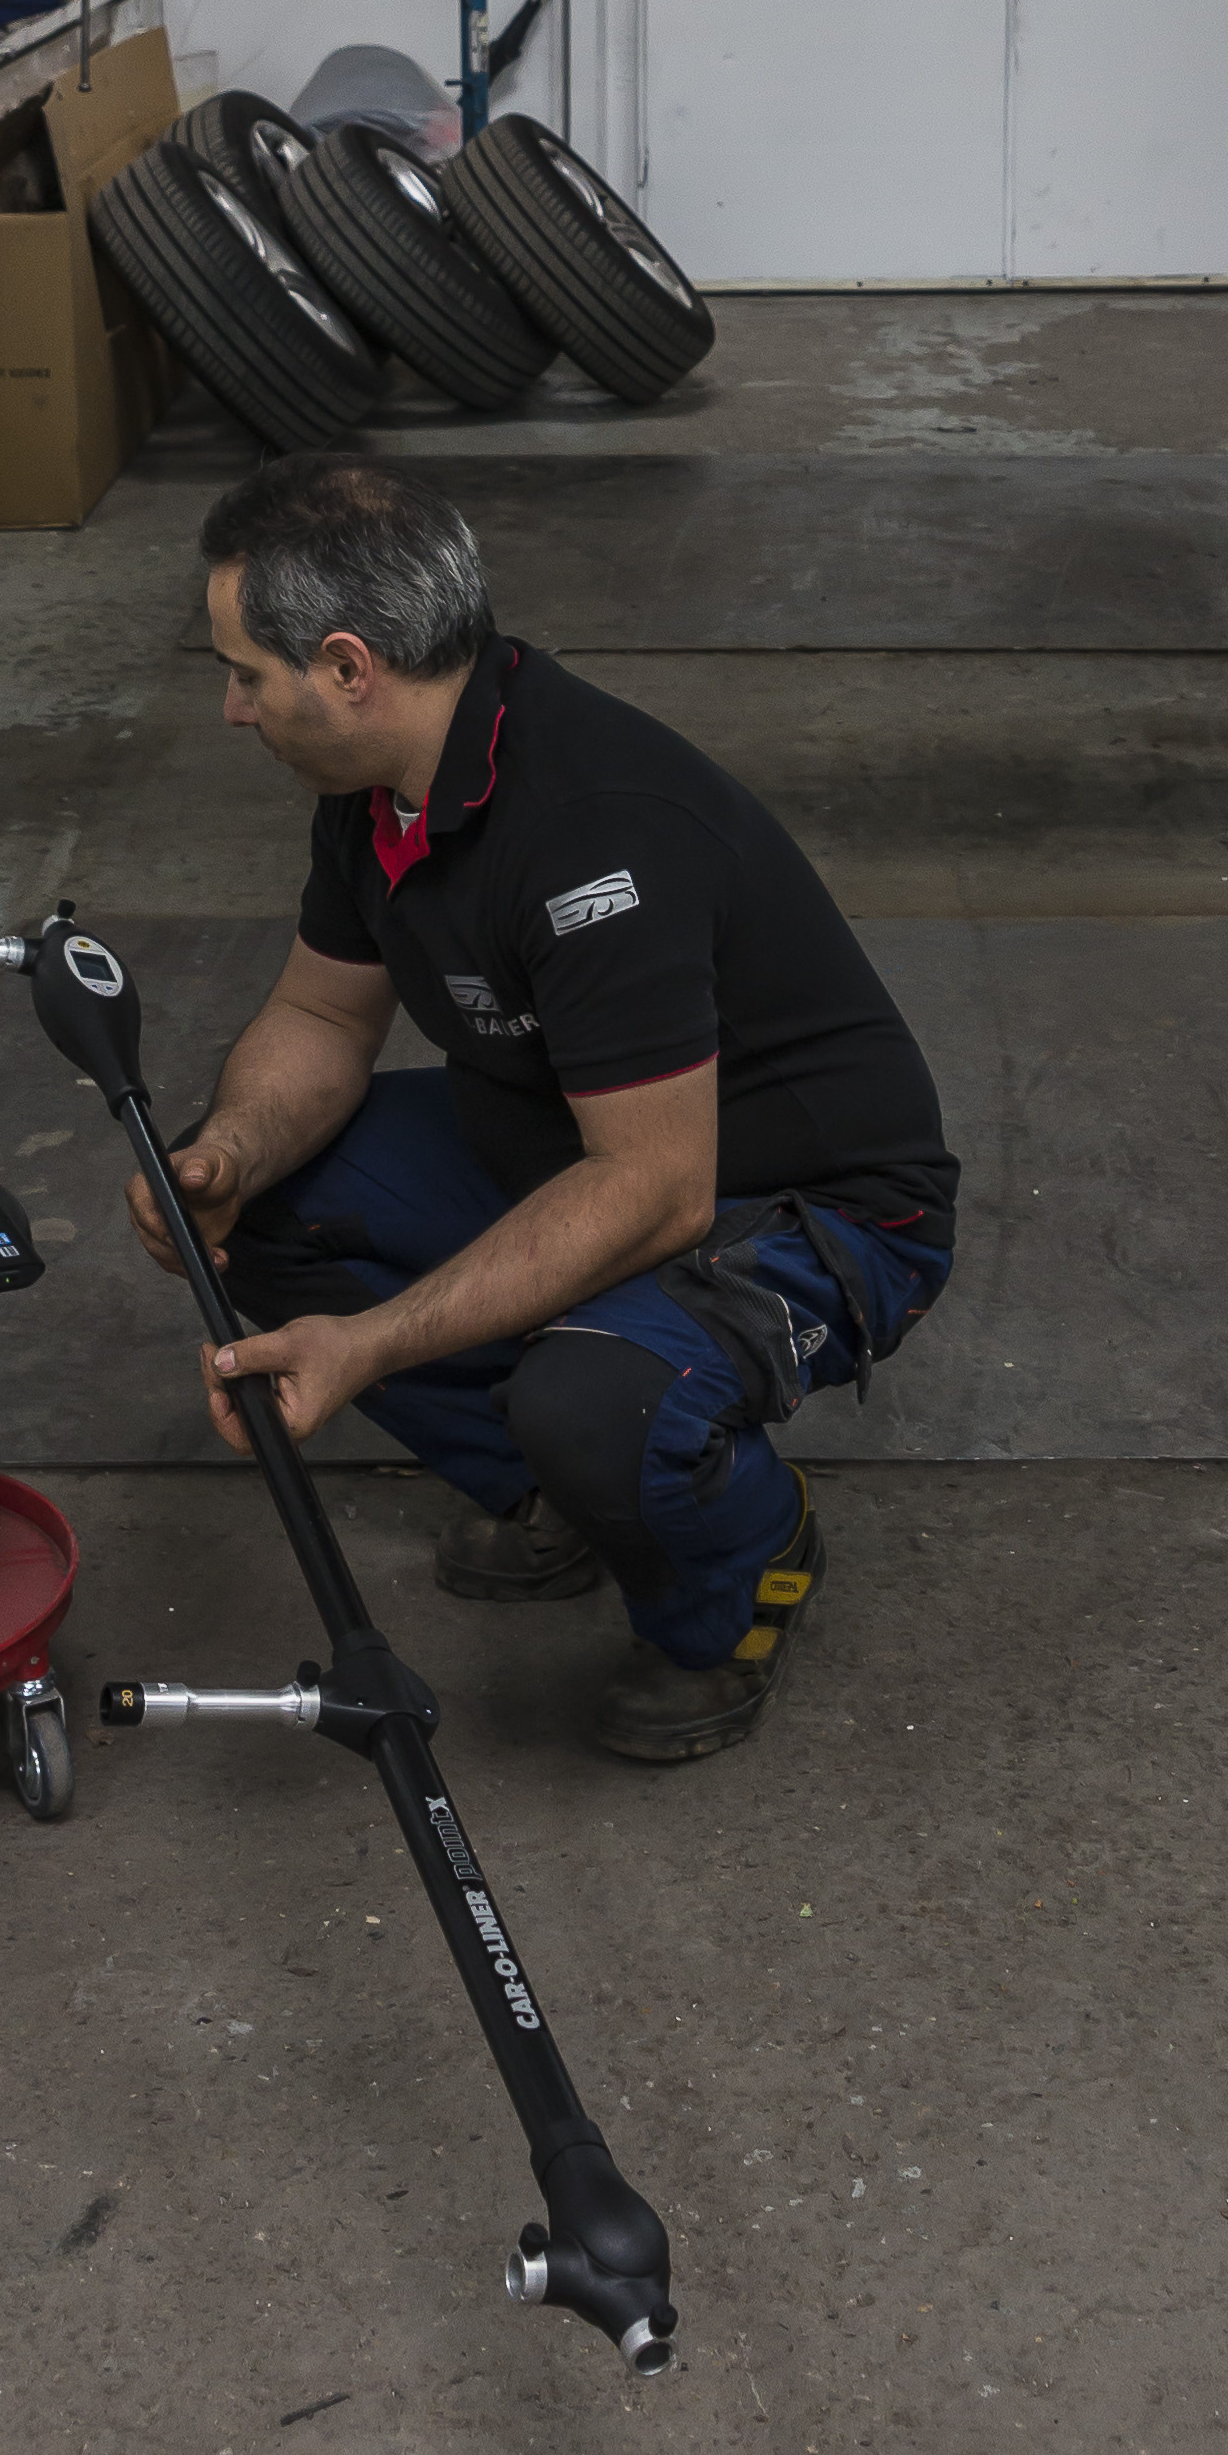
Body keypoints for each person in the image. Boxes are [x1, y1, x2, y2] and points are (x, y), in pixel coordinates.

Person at [129, 451, 958, 1763]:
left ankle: (739, 1576)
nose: (234, 708)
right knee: (265, 1205)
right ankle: (556, 1488)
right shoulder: (382, 792)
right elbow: (320, 1019)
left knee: (601, 1403)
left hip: (807, 1206)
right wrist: (227, 1147)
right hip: (572, 1144)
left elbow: (658, 1188)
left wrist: (370, 1343)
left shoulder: (592, 827)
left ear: (349, 668)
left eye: (245, 672)